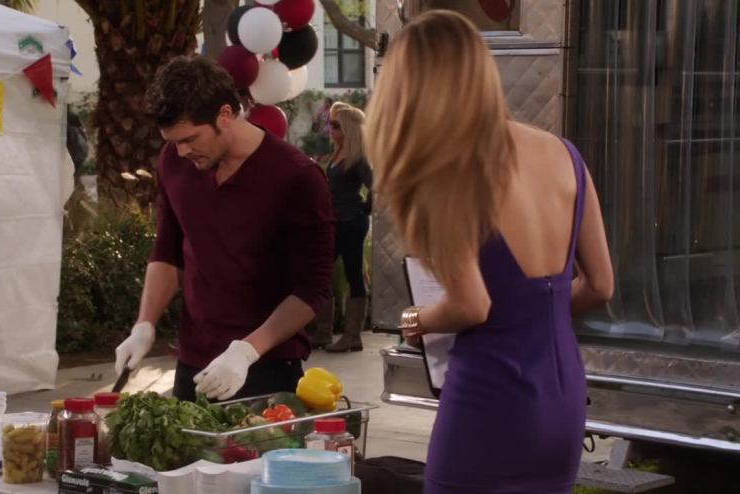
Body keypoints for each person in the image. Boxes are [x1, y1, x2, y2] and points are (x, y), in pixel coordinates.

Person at [365, 11, 614, 493]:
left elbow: (471, 305)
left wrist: (417, 319)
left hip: (490, 398)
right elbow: (601, 286)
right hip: (561, 398)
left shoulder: (449, 171)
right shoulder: (565, 154)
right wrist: (531, 312)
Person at [114, 56, 335, 403]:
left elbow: (312, 290)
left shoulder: (297, 177)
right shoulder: (174, 161)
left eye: (190, 139)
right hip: (192, 364)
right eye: (173, 141)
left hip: (267, 367)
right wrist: (144, 324)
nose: (181, 151)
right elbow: (168, 252)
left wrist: (245, 351)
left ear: (225, 115)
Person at [310, 106, 373, 352]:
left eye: (336, 125)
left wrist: (365, 208)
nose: (330, 128)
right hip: (337, 221)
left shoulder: (357, 158)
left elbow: (376, 185)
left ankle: (352, 336)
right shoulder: (338, 153)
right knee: (321, 272)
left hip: (351, 222)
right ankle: (323, 332)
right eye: (331, 124)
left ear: (348, 129)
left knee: (353, 273)